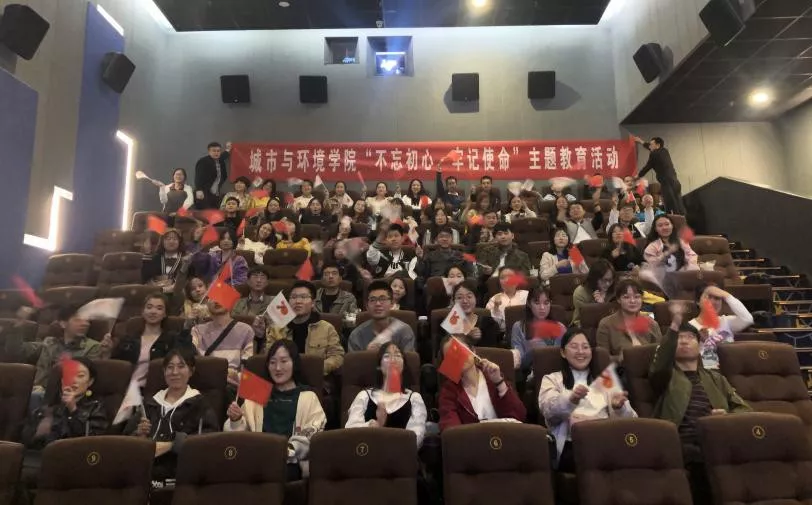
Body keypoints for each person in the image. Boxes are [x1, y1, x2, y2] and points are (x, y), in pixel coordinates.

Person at [649, 302, 751, 501]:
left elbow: (745, 409)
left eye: (690, 337)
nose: (684, 341)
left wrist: (726, 416)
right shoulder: (665, 377)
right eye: (679, 338)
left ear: (700, 345)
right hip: (681, 443)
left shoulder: (716, 379)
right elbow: (661, 361)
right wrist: (675, 324)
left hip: (716, 439)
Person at [225, 340, 326, 480]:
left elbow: (312, 434)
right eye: (272, 362)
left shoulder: (308, 396)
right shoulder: (258, 393)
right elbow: (240, 437)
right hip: (256, 460)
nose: (278, 368)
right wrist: (235, 420)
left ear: (294, 363)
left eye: (284, 361)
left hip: (289, 462)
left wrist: (284, 452)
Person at [539, 328, 637, 471]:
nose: (581, 352)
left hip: (605, 441)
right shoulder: (552, 379)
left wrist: (619, 408)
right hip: (571, 446)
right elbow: (549, 412)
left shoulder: (606, 381)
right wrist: (571, 400)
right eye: (574, 347)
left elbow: (631, 420)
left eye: (585, 347)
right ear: (563, 352)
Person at [124, 348, 219, 482]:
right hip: (144, 473)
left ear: (191, 371)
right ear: (164, 372)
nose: (175, 372)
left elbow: (208, 441)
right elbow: (125, 441)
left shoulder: (200, 404)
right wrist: (139, 435)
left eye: (181, 366)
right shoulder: (149, 404)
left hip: (182, 474)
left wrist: (172, 445)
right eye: (170, 367)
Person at [4, 305, 101, 403]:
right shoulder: (49, 343)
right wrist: (17, 326)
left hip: (64, 395)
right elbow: (16, 352)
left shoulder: (93, 347)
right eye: (78, 320)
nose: (84, 324)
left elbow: (85, 377)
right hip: (36, 391)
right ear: (63, 324)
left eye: (87, 321)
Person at [345, 342, 427, 447]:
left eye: (398, 355)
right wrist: (375, 425)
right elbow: (350, 432)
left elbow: (415, 439)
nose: (393, 359)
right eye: (387, 356)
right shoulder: (364, 396)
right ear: (379, 366)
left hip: (400, 454)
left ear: (404, 366)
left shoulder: (414, 398)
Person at [438, 338, 525, 430]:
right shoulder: (449, 390)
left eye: (460, 350)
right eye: (451, 356)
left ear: (473, 351)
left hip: (503, 435)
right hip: (471, 438)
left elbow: (519, 415)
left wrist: (499, 382)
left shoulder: (492, 377)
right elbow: (451, 429)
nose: (457, 357)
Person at [23, 357, 108, 448]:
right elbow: (24, 441)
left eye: (80, 376)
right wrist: (37, 434)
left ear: (90, 381)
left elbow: (90, 443)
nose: (74, 380)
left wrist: (73, 410)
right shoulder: (49, 407)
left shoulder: (95, 407)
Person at [266, 281, 344, 374]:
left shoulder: (326, 328)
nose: (298, 301)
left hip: (315, 376)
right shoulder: (277, 329)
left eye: (303, 297)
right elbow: (268, 356)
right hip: (283, 375)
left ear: (313, 303)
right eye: (293, 297)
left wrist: (316, 368)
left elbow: (337, 357)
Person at [111, 294, 191, 386]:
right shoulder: (128, 339)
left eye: (159, 308)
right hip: (125, 388)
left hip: (157, 388)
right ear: (143, 312)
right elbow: (115, 367)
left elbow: (185, 359)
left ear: (165, 314)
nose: (153, 312)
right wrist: (106, 351)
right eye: (149, 307)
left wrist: (187, 327)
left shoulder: (171, 339)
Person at [191, 298, 254, 389]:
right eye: (212, 297)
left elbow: (248, 365)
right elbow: (190, 357)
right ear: (207, 304)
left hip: (232, 385)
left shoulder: (246, 330)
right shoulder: (197, 330)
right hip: (205, 382)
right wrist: (189, 321)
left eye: (221, 296)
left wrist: (231, 376)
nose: (217, 301)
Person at [596, 278, 662, 363]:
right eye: (626, 297)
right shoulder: (606, 324)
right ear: (619, 299)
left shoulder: (652, 323)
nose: (632, 301)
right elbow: (602, 359)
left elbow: (661, 354)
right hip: (621, 369)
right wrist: (619, 359)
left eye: (637, 297)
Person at [689, 283, 754, 369]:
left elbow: (748, 319)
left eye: (717, 298)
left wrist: (726, 295)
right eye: (708, 298)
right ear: (698, 302)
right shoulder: (690, 326)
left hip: (730, 370)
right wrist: (701, 342)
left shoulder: (727, 321)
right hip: (706, 372)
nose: (713, 302)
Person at [510, 287, 566, 375]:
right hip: (533, 374)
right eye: (537, 303)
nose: (542, 308)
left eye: (546, 303)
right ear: (529, 304)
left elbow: (567, 357)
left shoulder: (560, 327)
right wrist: (534, 352)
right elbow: (520, 363)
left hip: (558, 373)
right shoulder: (519, 327)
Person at [348, 280, 416, 352]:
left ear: (392, 303)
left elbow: (409, 358)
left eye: (383, 299)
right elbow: (354, 359)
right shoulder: (356, 335)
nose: (378, 304)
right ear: (367, 306)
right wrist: (368, 354)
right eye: (373, 300)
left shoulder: (404, 331)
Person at [631, 135, 686, 215]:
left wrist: (637, 176)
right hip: (676, 182)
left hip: (667, 184)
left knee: (670, 207)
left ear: (658, 145)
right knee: (679, 204)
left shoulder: (654, 154)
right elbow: (650, 147)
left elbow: (647, 167)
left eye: (652, 144)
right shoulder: (665, 151)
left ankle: (672, 220)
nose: (650, 146)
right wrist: (641, 141)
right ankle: (683, 219)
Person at [442, 281, 502, 348]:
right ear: (453, 301)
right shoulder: (447, 323)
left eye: (469, 297)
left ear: (476, 299)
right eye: (459, 298)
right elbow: (444, 350)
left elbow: (491, 351)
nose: (465, 301)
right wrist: (466, 336)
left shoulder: (488, 323)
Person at [571, 259, 615, 326]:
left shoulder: (615, 290)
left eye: (610, 280)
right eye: (604, 280)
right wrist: (599, 306)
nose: (607, 284)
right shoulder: (580, 292)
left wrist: (603, 305)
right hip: (583, 326)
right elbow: (584, 319)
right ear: (594, 278)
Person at [486, 267, 530, 331]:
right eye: (502, 278)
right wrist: (496, 307)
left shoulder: (527, 295)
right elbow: (494, 326)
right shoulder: (494, 299)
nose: (506, 280)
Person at [194, 141, 231, 209]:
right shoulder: (203, 161)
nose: (216, 153)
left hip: (216, 194)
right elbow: (198, 176)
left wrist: (228, 150)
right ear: (209, 151)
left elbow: (223, 156)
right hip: (204, 193)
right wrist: (199, 190)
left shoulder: (220, 160)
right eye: (214, 151)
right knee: (205, 213)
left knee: (215, 212)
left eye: (218, 151)